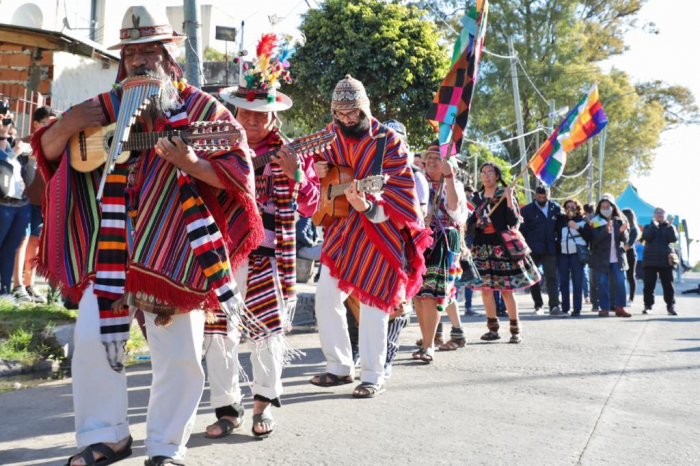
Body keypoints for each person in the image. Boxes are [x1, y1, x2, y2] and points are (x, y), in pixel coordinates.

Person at [31, 7, 262, 465]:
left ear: (167, 53)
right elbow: (51, 154)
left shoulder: (201, 108)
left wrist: (193, 165)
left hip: (176, 247)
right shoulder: (100, 106)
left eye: (148, 50)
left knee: (178, 354)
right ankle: (107, 436)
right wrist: (70, 123)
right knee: (94, 343)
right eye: (131, 52)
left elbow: (239, 173)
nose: (138, 61)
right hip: (111, 245)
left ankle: (165, 447)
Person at [206, 37, 320, 439]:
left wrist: (298, 176)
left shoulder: (291, 152)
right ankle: (226, 408)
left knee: (267, 331)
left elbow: (310, 206)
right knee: (218, 332)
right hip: (221, 255)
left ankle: (263, 404)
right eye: (247, 113)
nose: (253, 122)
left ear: (274, 117)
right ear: (236, 111)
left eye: (261, 115)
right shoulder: (219, 148)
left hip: (268, 257)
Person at [309, 75, 430, 398]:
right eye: (341, 116)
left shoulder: (388, 141)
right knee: (325, 297)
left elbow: (401, 195)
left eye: (353, 115)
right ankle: (339, 367)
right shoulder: (329, 134)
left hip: (379, 233)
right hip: (340, 233)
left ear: (365, 109)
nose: (347, 121)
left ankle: (373, 375)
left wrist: (365, 206)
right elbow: (310, 164)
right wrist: (318, 169)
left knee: (374, 300)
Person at [467, 162, 540, 343]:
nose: (486, 176)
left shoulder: (504, 194)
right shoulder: (475, 198)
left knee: (507, 289)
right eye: (483, 172)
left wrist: (509, 199)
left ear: (497, 176)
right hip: (481, 247)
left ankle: (515, 330)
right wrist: (475, 225)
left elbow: (512, 221)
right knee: (486, 289)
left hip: (502, 247)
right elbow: (467, 223)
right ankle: (492, 329)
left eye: (490, 172)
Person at [413, 143, 469, 362]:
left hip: (442, 240)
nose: (432, 161)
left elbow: (455, 211)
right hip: (419, 239)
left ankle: (428, 346)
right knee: (417, 296)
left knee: (432, 294)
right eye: (429, 157)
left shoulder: (452, 184)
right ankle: (426, 340)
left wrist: (448, 179)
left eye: (438, 158)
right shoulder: (418, 181)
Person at [12, 106, 57, 304]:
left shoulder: (57, 143)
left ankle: (30, 285)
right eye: (48, 123)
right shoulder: (22, 143)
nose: (52, 128)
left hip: (43, 202)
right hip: (23, 201)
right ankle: (17, 285)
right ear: (37, 123)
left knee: (35, 243)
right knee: (21, 241)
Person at [0, 104, 33, 301]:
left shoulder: (10, 143)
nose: (4, 122)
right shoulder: (11, 150)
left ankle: (4, 293)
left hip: (20, 205)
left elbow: (23, 177)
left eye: (5, 118)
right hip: (2, 205)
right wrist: (14, 154)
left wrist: (30, 159)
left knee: (10, 249)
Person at [520, 185, 564, 315]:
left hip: (550, 249)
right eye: (539, 197)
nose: (542, 199)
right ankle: (538, 305)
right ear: (535, 195)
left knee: (552, 277)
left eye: (544, 197)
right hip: (532, 249)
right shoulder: (527, 210)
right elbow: (522, 231)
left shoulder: (555, 208)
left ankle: (554, 306)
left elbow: (560, 228)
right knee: (534, 278)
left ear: (549, 195)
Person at [583, 198, 631, 317]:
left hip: (617, 258)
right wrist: (606, 230)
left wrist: (622, 232)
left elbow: (626, 239)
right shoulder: (596, 221)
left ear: (613, 207)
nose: (606, 209)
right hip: (601, 258)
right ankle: (604, 308)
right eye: (603, 207)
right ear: (599, 209)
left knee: (620, 281)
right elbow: (594, 240)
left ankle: (620, 307)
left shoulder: (619, 220)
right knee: (603, 282)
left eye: (608, 207)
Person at [555, 199, 589, 316]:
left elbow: (589, 237)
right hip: (563, 254)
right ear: (564, 208)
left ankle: (577, 309)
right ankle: (565, 308)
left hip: (577, 254)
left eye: (573, 207)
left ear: (577, 208)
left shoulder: (582, 221)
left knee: (577, 281)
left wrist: (578, 228)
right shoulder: (560, 220)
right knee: (563, 282)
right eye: (568, 206)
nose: (570, 209)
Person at [641, 207, 678, 315]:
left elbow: (673, 239)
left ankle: (670, 306)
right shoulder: (648, 226)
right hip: (650, 260)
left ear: (665, 215)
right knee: (649, 285)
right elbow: (647, 237)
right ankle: (648, 306)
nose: (660, 214)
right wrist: (654, 226)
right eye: (657, 213)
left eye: (662, 213)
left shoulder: (670, 227)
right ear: (653, 215)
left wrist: (670, 226)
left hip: (666, 260)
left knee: (668, 285)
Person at [621, 208, 640, 303]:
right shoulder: (621, 227)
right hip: (620, 254)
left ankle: (631, 299)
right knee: (620, 277)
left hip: (629, 255)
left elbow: (629, 244)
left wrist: (619, 251)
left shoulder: (634, 230)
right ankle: (620, 298)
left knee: (630, 276)